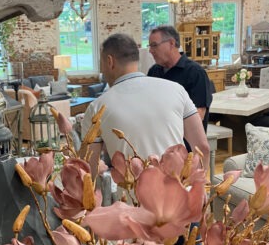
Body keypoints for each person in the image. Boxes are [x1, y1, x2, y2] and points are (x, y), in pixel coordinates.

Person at [81, 33, 209, 170]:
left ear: (109, 61)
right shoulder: (177, 90)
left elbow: (89, 168)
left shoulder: (97, 108)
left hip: (131, 190)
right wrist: (196, 186)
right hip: (178, 187)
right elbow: (202, 147)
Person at [147, 25, 213, 131]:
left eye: (154, 45)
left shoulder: (195, 73)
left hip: (185, 143)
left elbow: (198, 116)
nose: (150, 51)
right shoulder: (153, 72)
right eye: (149, 46)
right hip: (159, 139)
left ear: (171, 43)